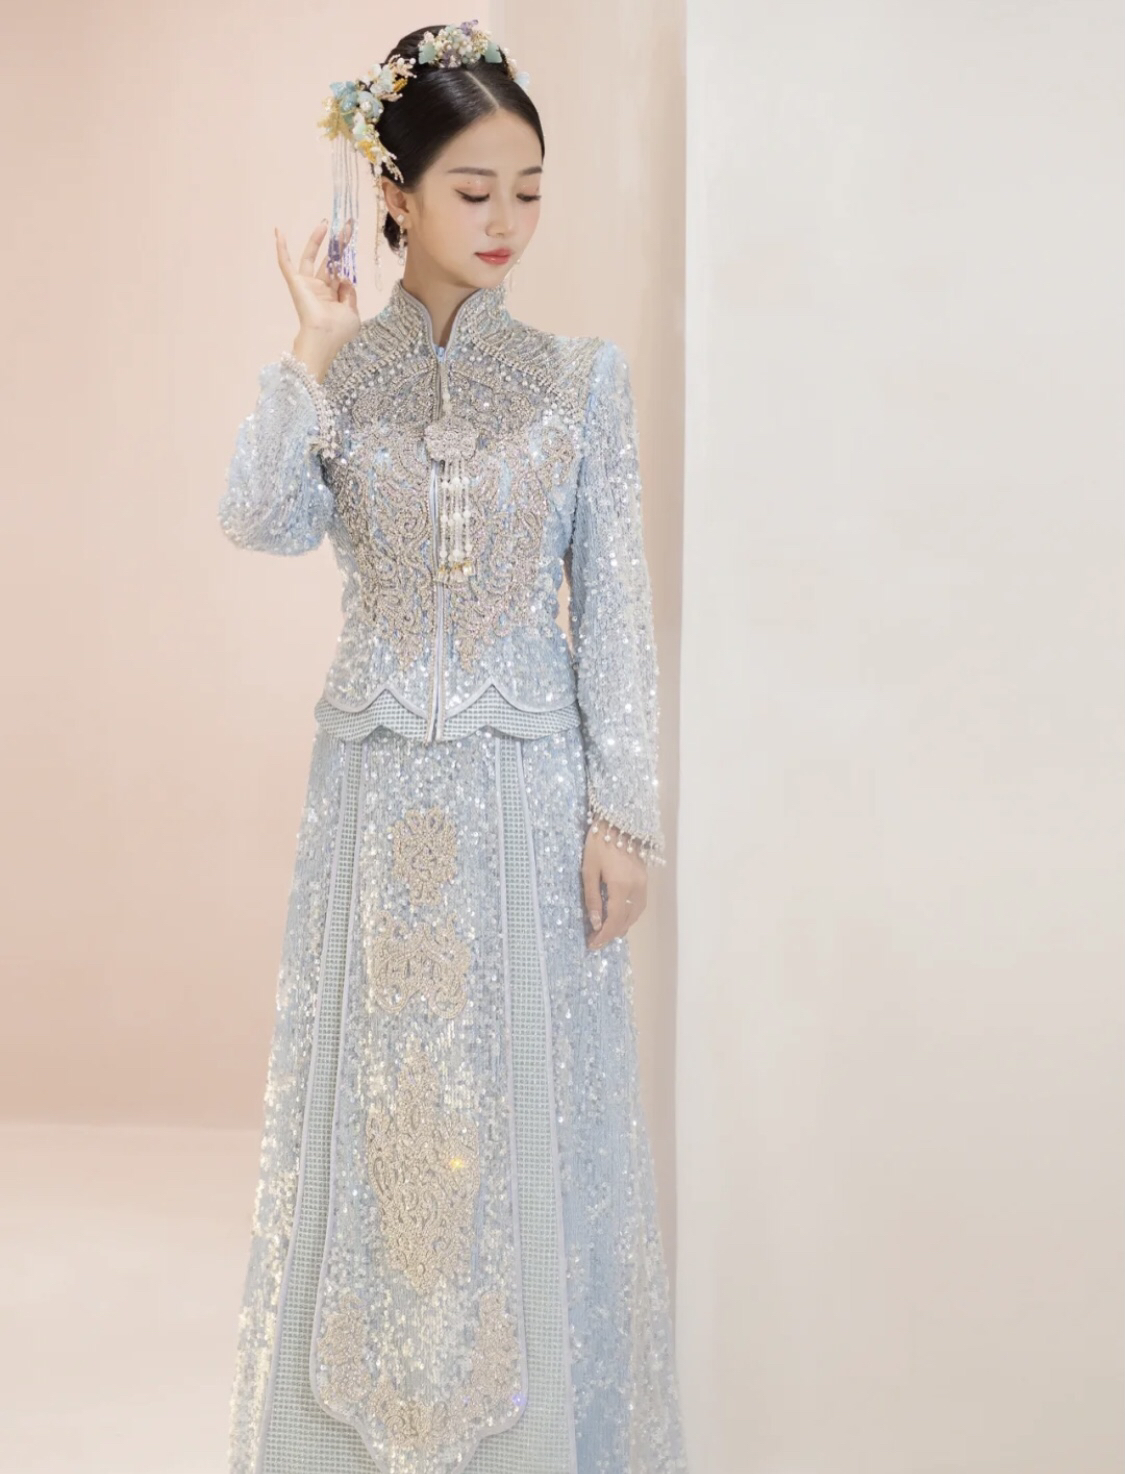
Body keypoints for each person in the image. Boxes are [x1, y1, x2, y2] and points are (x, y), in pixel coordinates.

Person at [218, 21, 690, 1474]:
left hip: (530, 800)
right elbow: (258, 520)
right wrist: (309, 347)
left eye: (528, 190)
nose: (506, 222)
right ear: (396, 191)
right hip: (373, 810)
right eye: (474, 190)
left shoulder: (576, 379)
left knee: (531, 1117)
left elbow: (615, 610)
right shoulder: (343, 378)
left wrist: (624, 817)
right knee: (379, 1118)